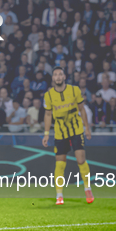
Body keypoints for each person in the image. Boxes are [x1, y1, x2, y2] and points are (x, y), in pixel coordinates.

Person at [42, 67, 93, 206]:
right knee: (60, 163)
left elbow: (82, 109)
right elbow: (48, 115)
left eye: (60, 74)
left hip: (76, 130)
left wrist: (87, 128)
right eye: (55, 75)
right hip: (59, 133)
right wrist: (46, 134)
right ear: (53, 78)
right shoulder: (49, 95)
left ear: (64, 77)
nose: (58, 77)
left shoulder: (75, 90)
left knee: (81, 160)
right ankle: (59, 195)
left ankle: (87, 189)